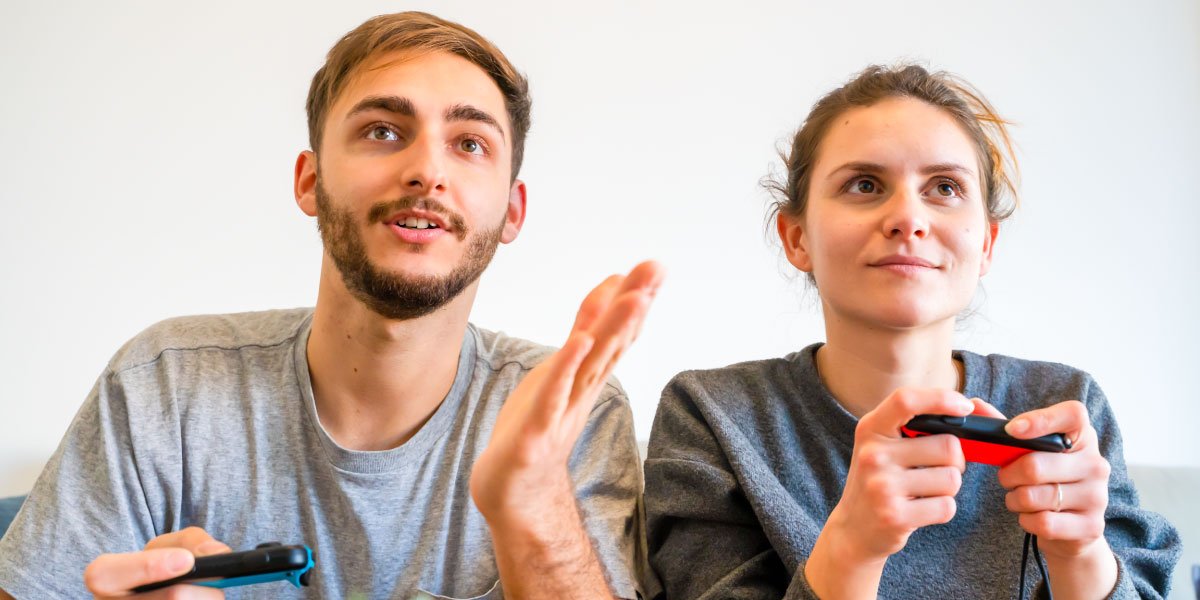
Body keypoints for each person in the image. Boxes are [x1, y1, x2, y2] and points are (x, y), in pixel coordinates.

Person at [0, 12, 662, 599]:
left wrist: (534, 502)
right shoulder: (163, 386)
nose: (427, 170)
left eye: (469, 144)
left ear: (512, 210)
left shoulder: (573, 417)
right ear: (310, 180)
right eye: (382, 130)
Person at [643, 64, 1180, 599]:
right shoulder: (712, 415)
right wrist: (850, 549)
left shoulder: (1068, 405)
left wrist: (1080, 557)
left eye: (944, 187)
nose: (907, 217)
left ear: (987, 244)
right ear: (797, 237)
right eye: (865, 184)